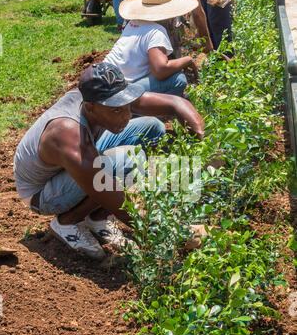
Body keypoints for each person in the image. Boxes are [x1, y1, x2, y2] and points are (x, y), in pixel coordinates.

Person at [14, 63, 205, 260]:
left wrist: (205, 142)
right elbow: (107, 191)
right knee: (128, 159)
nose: (128, 115)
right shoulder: (67, 133)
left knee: (152, 127)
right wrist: (177, 231)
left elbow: (176, 103)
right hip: (42, 193)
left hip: (79, 164)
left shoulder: (104, 100)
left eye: (127, 107)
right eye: (117, 111)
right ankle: (67, 222)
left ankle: (97, 217)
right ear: (90, 108)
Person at [104, 0, 199, 97]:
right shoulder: (156, 31)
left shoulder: (133, 23)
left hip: (105, 79)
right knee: (178, 79)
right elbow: (160, 71)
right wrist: (187, 60)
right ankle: (151, 110)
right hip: (120, 90)